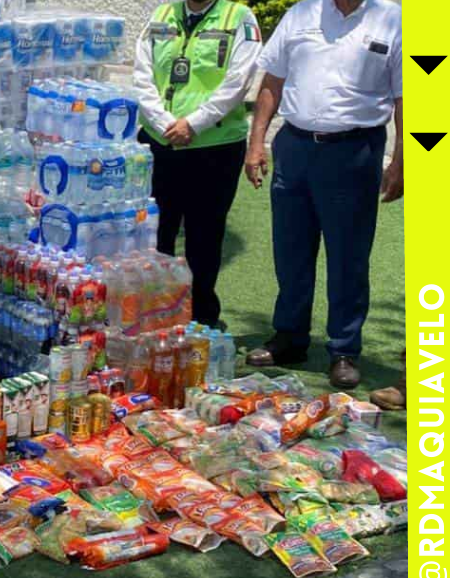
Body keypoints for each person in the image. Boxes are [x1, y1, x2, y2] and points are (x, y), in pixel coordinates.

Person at [244, 0, 403, 389]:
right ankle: (290, 337)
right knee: (290, 249)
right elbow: (272, 81)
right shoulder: (301, 13)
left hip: (354, 151)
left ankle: (344, 349)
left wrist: (402, 161)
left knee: (348, 255)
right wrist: (256, 142)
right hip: (295, 147)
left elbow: (405, 98)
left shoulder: (391, 18)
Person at [131, 0, 261, 329]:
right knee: (154, 231)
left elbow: (238, 82)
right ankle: (153, 313)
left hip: (214, 147)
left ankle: (200, 317)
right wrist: (164, 123)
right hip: (159, 142)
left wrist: (194, 123)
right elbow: (142, 74)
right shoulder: (161, 14)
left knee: (204, 236)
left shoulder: (239, 19)